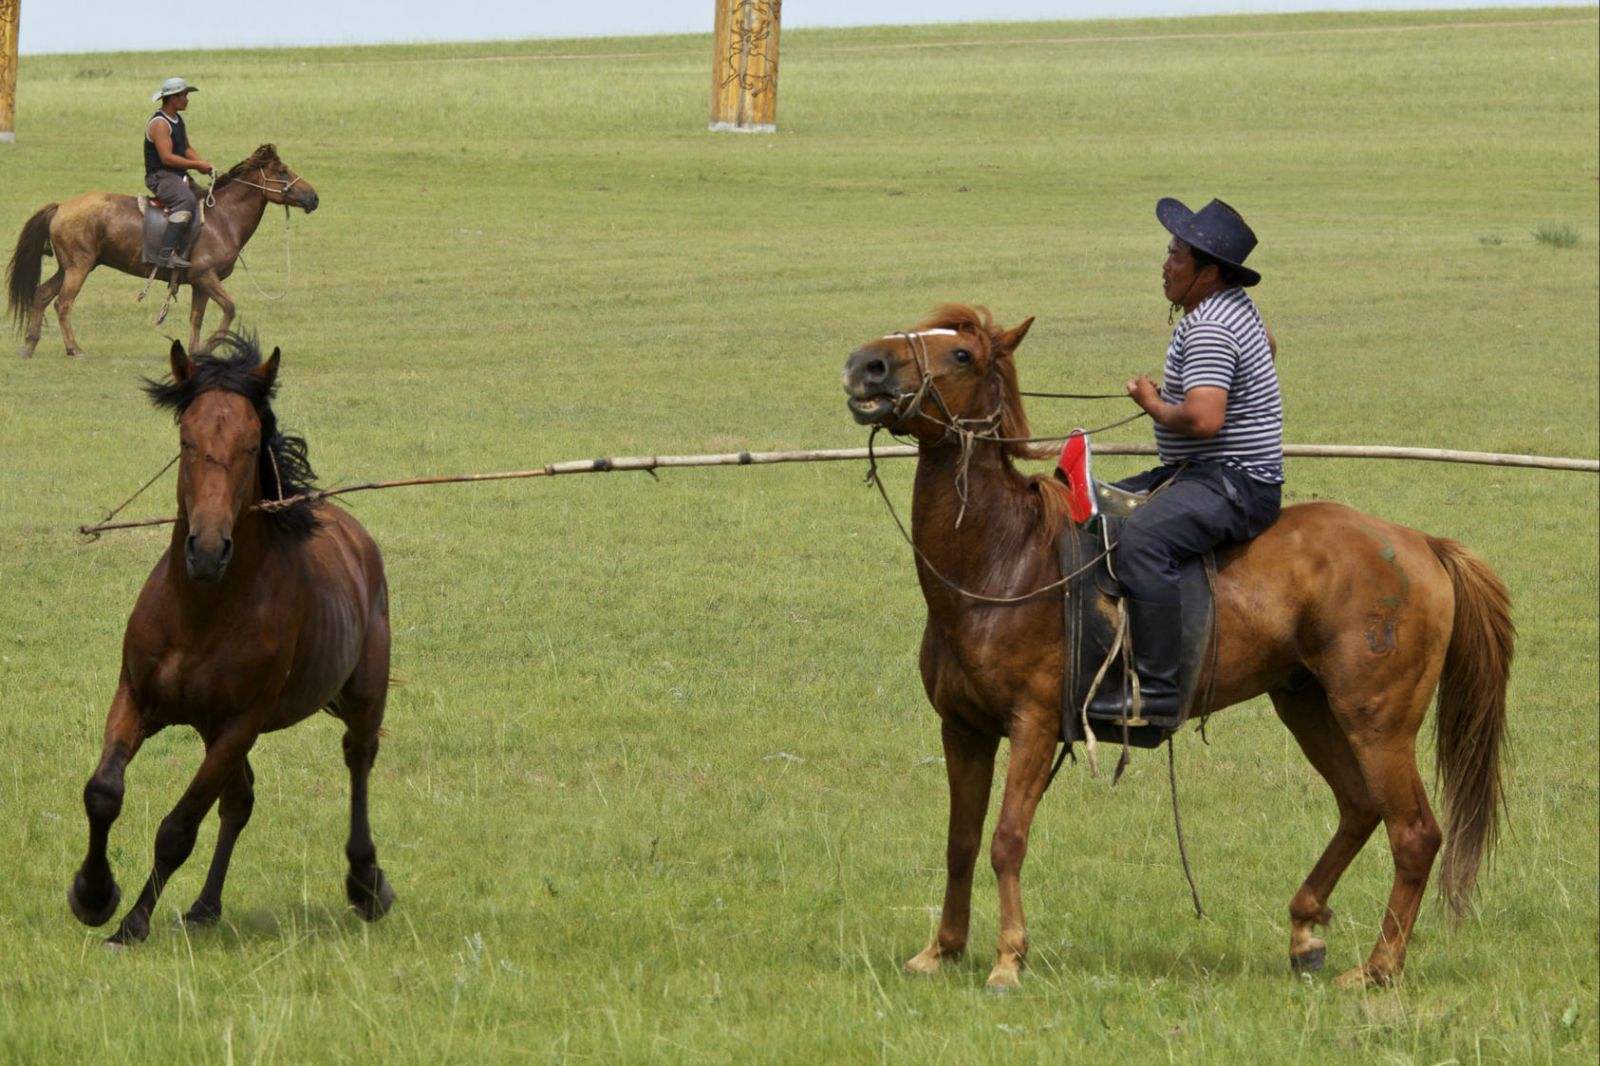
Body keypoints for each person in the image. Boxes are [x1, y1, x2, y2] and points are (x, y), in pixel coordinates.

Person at [1090, 197, 1283, 724]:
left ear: (1209, 272)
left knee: (1143, 541)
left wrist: (1151, 403)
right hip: (1206, 472)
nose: (1166, 264)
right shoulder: (1232, 309)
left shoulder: (1210, 326)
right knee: (1095, 509)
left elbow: (1203, 421)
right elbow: (1265, 344)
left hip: (1231, 482)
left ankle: (1157, 689)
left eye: (1177, 254)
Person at [144, 77, 214, 269]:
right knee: (187, 201)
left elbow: (185, 148)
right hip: (161, 176)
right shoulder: (160, 124)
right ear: (173, 98)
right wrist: (196, 165)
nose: (187, 98)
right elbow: (166, 158)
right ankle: (165, 253)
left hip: (176, 175)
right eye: (184, 94)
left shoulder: (177, 119)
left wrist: (203, 163)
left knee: (206, 199)